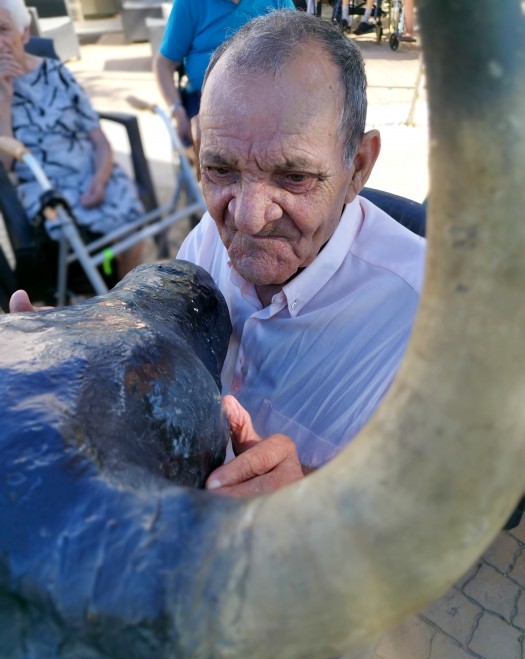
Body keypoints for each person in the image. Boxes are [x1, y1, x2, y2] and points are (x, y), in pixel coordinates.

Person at [11, 12, 426, 500]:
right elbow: (166, 368)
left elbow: (443, 505)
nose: (247, 219)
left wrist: (316, 499)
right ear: (199, 147)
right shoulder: (205, 238)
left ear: (358, 166)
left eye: (294, 178)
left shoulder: (432, 320)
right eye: (221, 170)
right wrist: (85, 360)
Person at [0, 0, 145, 281]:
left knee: (132, 227)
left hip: (89, 172)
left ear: (24, 33)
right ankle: (104, 289)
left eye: (2, 29)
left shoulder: (57, 73)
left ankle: (123, 294)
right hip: (45, 188)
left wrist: (100, 180)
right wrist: (4, 98)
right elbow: (5, 167)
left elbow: (99, 139)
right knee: (81, 236)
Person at [153, 0, 295, 149]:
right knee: (205, 142)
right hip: (205, 101)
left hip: (267, 101)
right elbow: (164, 63)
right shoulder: (189, 3)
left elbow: (297, 48)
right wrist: (177, 110)